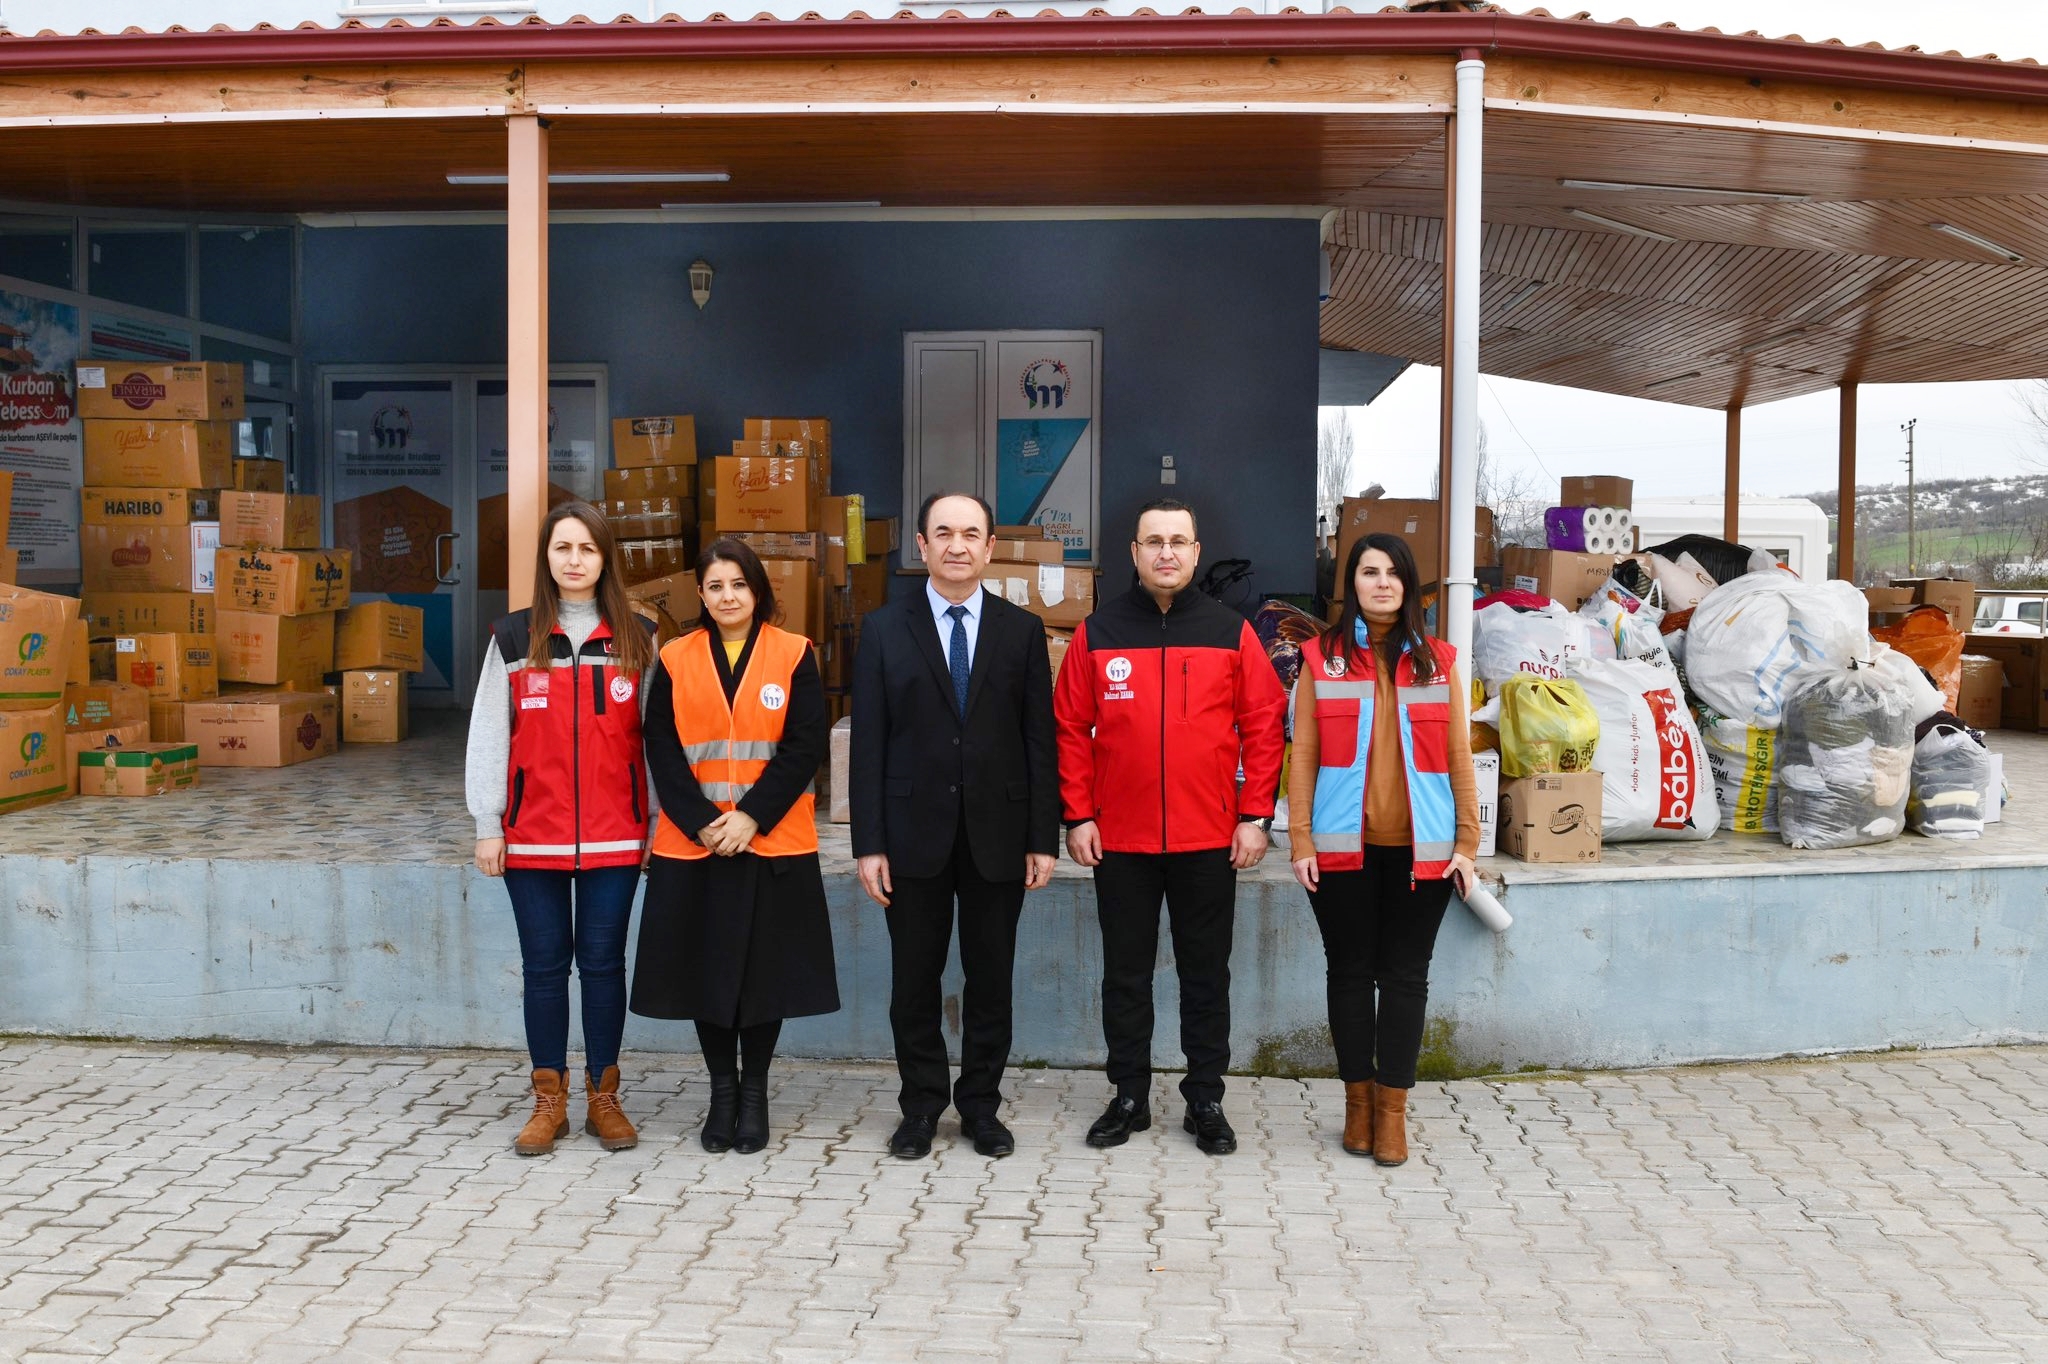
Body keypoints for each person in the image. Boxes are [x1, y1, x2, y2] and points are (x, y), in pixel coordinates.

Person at [1052, 498, 1287, 1155]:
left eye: (1178, 541)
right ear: (1133, 553)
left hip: (1209, 839)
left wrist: (1254, 816)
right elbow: (1069, 728)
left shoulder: (1229, 632)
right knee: (1125, 976)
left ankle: (1205, 1098)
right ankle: (1128, 1095)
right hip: (1119, 841)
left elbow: (1266, 725)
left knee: (1205, 976)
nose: (1166, 552)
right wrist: (1079, 813)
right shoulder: (1097, 634)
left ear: (1194, 550)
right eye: (1153, 541)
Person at [851, 492, 1060, 1160]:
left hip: (998, 836)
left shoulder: (1022, 631)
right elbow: (869, 744)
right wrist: (869, 843)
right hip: (912, 837)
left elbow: (1038, 741)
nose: (957, 545)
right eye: (943, 533)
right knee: (914, 980)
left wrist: (1041, 837)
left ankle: (980, 1108)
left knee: (990, 978)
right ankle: (919, 1108)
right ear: (921, 545)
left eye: (971, 533)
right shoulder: (884, 629)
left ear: (991, 547)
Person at [630, 538, 838, 1155]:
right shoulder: (673, 658)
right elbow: (661, 749)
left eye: (738, 585)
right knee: (707, 974)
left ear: (758, 591)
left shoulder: (794, 653)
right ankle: (723, 1092)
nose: (727, 596)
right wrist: (700, 822)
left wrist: (750, 818)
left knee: (762, 976)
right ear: (701, 593)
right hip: (695, 846)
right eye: (715, 586)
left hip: (770, 843)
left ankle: (756, 1095)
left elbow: (804, 746)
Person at [465, 499, 659, 1157]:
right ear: (546, 559)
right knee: (544, 968)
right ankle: (549, 1100)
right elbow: (491, 732)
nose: (574, 561)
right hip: (532, 837)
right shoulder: (515, 639)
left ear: (605, 559)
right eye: (562, 549)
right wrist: (488, 822)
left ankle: (605, 1097)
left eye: (587, 549)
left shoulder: (637, 637)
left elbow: (655, 741)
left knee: (603, 964)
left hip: (616, 836)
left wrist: (657, 824)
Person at [1286, 533, 1480, 1167]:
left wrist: (1468, 843)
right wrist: (1302, 839)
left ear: (1410, 584)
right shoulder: (1321, 659)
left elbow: (1457, 756)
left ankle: (1393, 1113)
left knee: (1404, 981)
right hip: (1343, 852)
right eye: (1369, 572)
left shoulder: (1439, 661)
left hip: (1423, 854)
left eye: (1394, 572)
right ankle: (1357, 1107)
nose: (1382, 583)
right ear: (1353, 584)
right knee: (1347, 976)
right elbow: (1306, 754)